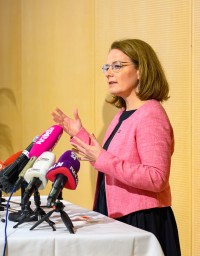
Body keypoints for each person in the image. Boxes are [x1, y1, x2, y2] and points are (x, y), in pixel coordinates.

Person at [52, 39, 181, 255]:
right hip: (116, 215)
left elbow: (157, 177)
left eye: (117, 66)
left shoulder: (151, 114)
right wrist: (78, 134)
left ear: (141, 70)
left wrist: (102, 158)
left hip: (142, 221)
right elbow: (109, 159)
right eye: (106, 67)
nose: (108, 73)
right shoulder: (122, 114)